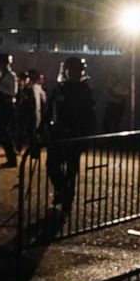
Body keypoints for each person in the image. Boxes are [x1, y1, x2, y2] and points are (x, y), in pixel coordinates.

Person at [45, 56, 96, 210]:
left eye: (77, 70)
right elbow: (50, 109)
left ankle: (67, 199)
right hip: (59, 134)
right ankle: (62, 190)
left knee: (71, 170)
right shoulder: (60, 88)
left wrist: (87, 136)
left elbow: (90, 115)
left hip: (76, 134)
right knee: (52, 165)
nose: (74, 73)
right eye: (71, 70)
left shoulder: (85, 90)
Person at [0, 53, 18, 167]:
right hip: (1, 106)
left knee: (2, 133)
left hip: (6, 107)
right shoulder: (1, 75)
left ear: (5, 63)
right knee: (1, 133)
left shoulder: (10, 76)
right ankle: (10, 159)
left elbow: (11, 93)